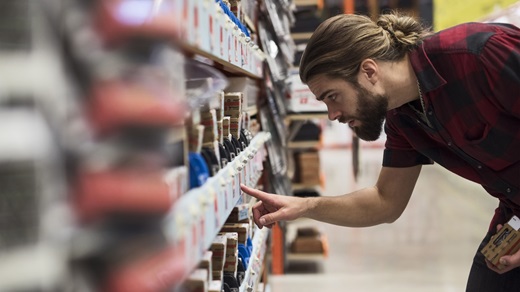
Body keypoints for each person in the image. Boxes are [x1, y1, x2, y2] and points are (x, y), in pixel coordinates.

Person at [240, 11, 520, 291]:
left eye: (332, 96)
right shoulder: (403, 118)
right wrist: (304, 206)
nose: (332, 114)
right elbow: (385, 201)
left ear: (369, 71)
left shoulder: (479, 53)